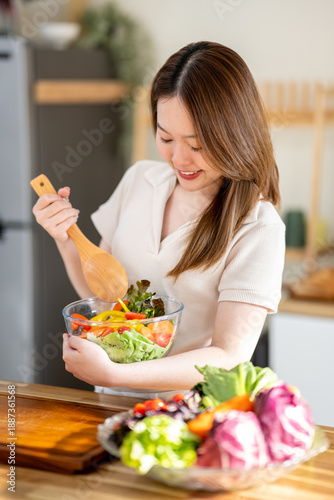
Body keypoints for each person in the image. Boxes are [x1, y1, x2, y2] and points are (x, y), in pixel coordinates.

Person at [32, 41, 285, 399]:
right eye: (166, 137)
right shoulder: (140, 180)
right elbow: (102, 295)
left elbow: (230, 356)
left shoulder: (258, 226)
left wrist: (116, 372)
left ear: (234, 135)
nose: (179, 158)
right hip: (108, 404)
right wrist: (63, 237)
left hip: (190, 416)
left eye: (197, 145)